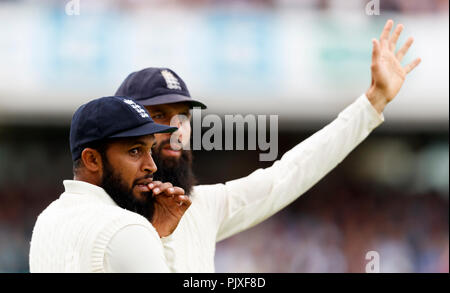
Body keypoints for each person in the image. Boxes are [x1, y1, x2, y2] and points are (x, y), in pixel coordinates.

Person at [114, 20, 421, 272]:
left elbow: (290, 173)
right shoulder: (97, 212)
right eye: (158, 115)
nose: (176, 127)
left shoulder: (202, 207)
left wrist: (372, 104)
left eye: (183, 116)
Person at [29, 96, 192, 272]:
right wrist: (154, 237)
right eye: (135, 151)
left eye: (150, 150)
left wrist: (156, 235)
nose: (151, 166)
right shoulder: (127, 227)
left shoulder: (47, 218)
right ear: (92, 159)